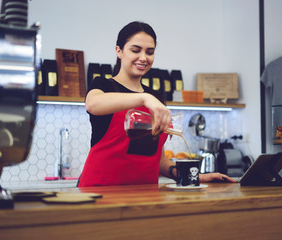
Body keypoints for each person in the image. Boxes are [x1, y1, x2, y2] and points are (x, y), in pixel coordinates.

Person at [77, 21, 236, 187]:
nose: (144, 58)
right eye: (135, 50)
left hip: (145, 196)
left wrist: (193, 176)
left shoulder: (156, 98)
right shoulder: (103, 85)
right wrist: (144, 98)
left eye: (150, 52)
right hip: (99, 192)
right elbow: (92, 104)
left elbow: (155, 158)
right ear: (119, 51)